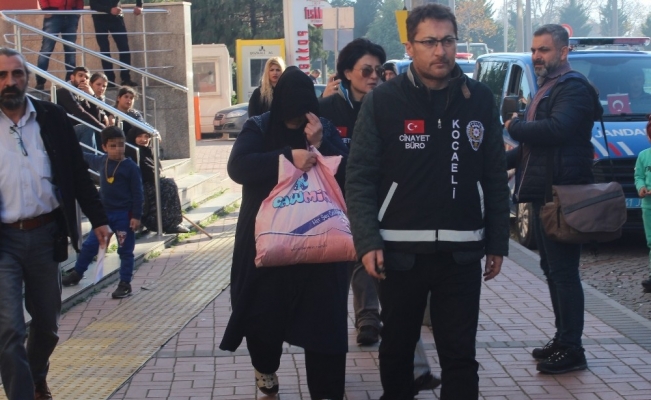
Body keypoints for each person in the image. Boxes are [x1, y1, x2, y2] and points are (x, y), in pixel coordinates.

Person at [345, 4, 510, 399]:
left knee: (460, 356)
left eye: (448, 40)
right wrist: (367, 240)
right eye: (430, 42)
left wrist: (498, 241)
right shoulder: (383, 101)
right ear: (410, 46)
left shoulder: (479, 99)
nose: (441, 51)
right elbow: (360, 176)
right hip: (399, 253)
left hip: (462, 252)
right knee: (397, 350)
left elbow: (494, 175)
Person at [219, 66, 349, 399]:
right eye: (291, 117)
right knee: (262, 320)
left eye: (301, 115)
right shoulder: (259, 127)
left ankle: (327, 392)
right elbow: (238, 166)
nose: (297, 122)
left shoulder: (323, 129)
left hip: (321, 247)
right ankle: (266, 370)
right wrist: (287, 157)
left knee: (325, 326)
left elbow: (349, 172)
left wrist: (321, 143)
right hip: (268, 245)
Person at [0, 47, 109, 400]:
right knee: (9, 330)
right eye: (2, 75)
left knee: (47, 325)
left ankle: (36, 376)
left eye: (17, 74)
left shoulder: (52, 117)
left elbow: (77, 172)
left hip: (46, 235)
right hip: (3, 242)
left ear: (28, 78)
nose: (10, 82)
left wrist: (99, 219)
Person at [504, 24, 603, 374]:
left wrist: (514, 126)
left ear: (563, 51)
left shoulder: (572, 86)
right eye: (534, 50)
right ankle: (563, 339)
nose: (536, 56)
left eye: (543, 50)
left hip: (563, 193)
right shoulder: (549, 86)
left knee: (564, 272)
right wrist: (500, 160)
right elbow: (535, 147)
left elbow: (557, 130)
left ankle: (573, 349)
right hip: (543, 191)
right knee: (552, 270)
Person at [62, 126, 143, 299]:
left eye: (121, 145)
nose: (117, 149)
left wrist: (136, 216)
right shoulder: (102, 161)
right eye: (112, 146)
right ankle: (77, 272)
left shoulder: (131, 167)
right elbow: (83, 156)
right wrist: (68, 147)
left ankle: (125, 283)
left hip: (124, 216)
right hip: (104, 216)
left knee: (125, 250)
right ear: (104, 147)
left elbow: (138, 193)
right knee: (90, 245)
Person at [126, 126, 190, 234]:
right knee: (167, 185)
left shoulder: (148, 150)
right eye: (140, 136)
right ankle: (161, 223)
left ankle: (172, 222)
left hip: (150, 183)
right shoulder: (131, 151)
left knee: (169, 184)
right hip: (138, 186)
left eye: (146, 136)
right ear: (133, 137)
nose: (144, 139)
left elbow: (155, 171)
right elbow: (148, 172)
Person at [89, 0, 142, 86]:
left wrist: (139, 5)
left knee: (124, 48)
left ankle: (126, 79)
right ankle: (110, 80)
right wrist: (109, 9)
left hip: (117, 18)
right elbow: (93, 4)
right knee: (104, 50)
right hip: (100, 18)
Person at [35, 0, 83, 90]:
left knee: (70, 50)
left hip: (71, 15)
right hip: (53, 14)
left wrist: (78, 10)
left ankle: (70, 81)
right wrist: (46, 9)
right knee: (46, 50)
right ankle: (40, 82)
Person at [56, 66, 106, 152]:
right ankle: (90, 160)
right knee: (88, 128)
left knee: (94, 128)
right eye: (80, 75)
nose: (83, 79)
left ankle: (101, 159)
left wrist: (92, 96)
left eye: (86, 77)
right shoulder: (64, 91)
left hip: (74, 132)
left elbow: (96, 118)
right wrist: (102, 128)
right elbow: (80, 112)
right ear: (72, 78)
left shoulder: (81, 94)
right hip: (62, 133)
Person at [636, 118, 651, 292]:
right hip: (648, 205)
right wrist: (641, 187)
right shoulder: (643, 155)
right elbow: (639, 176)